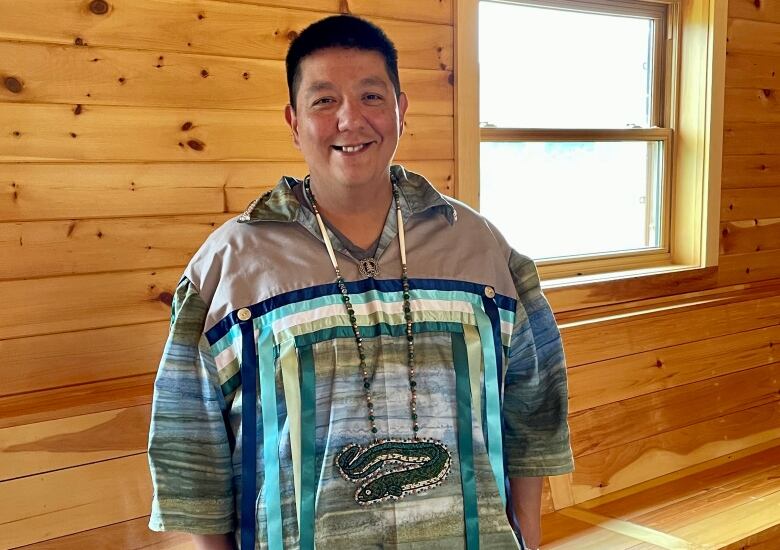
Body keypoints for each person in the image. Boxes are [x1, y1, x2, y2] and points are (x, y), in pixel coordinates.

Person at [147, 14, 572, 550]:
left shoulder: (481, 248)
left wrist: (527, 533)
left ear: (400, 109)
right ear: (294, 119)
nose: (351, 119)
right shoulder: (231, 265)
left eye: (372, 96)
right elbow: (193, 446)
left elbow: (533, 410)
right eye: (324, 100)